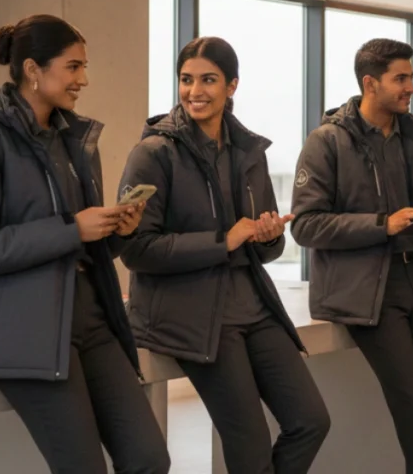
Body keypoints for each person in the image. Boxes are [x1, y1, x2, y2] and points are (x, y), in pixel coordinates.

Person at [0, 15, 170, 474]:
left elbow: (80, 241)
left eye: (84, 67)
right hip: (26, 331)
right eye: (73, 67)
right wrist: (71, 229)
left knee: (148, 459)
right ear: (32, 69)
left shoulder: (75, 140)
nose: (84, 79)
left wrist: (114, 231)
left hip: (92, 319)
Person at [119, 37, 330, 474]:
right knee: (249, 444)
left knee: (311, 420)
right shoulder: (153, 154)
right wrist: (223, 241)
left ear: (232, 86)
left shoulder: (249, 151)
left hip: (254, 307)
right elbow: (135, 249)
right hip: (194, 315)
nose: (195, 90)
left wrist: (268, 236)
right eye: (186, 79)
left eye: (208, 80)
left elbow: (265, 247)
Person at [290, 38, 413, 474]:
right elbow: (306, 226)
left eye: (412, 78)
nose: (410, 88)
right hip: (369, 292)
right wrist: (383, 225)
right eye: (400, 78)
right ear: (370, 83)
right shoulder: (327, 142)